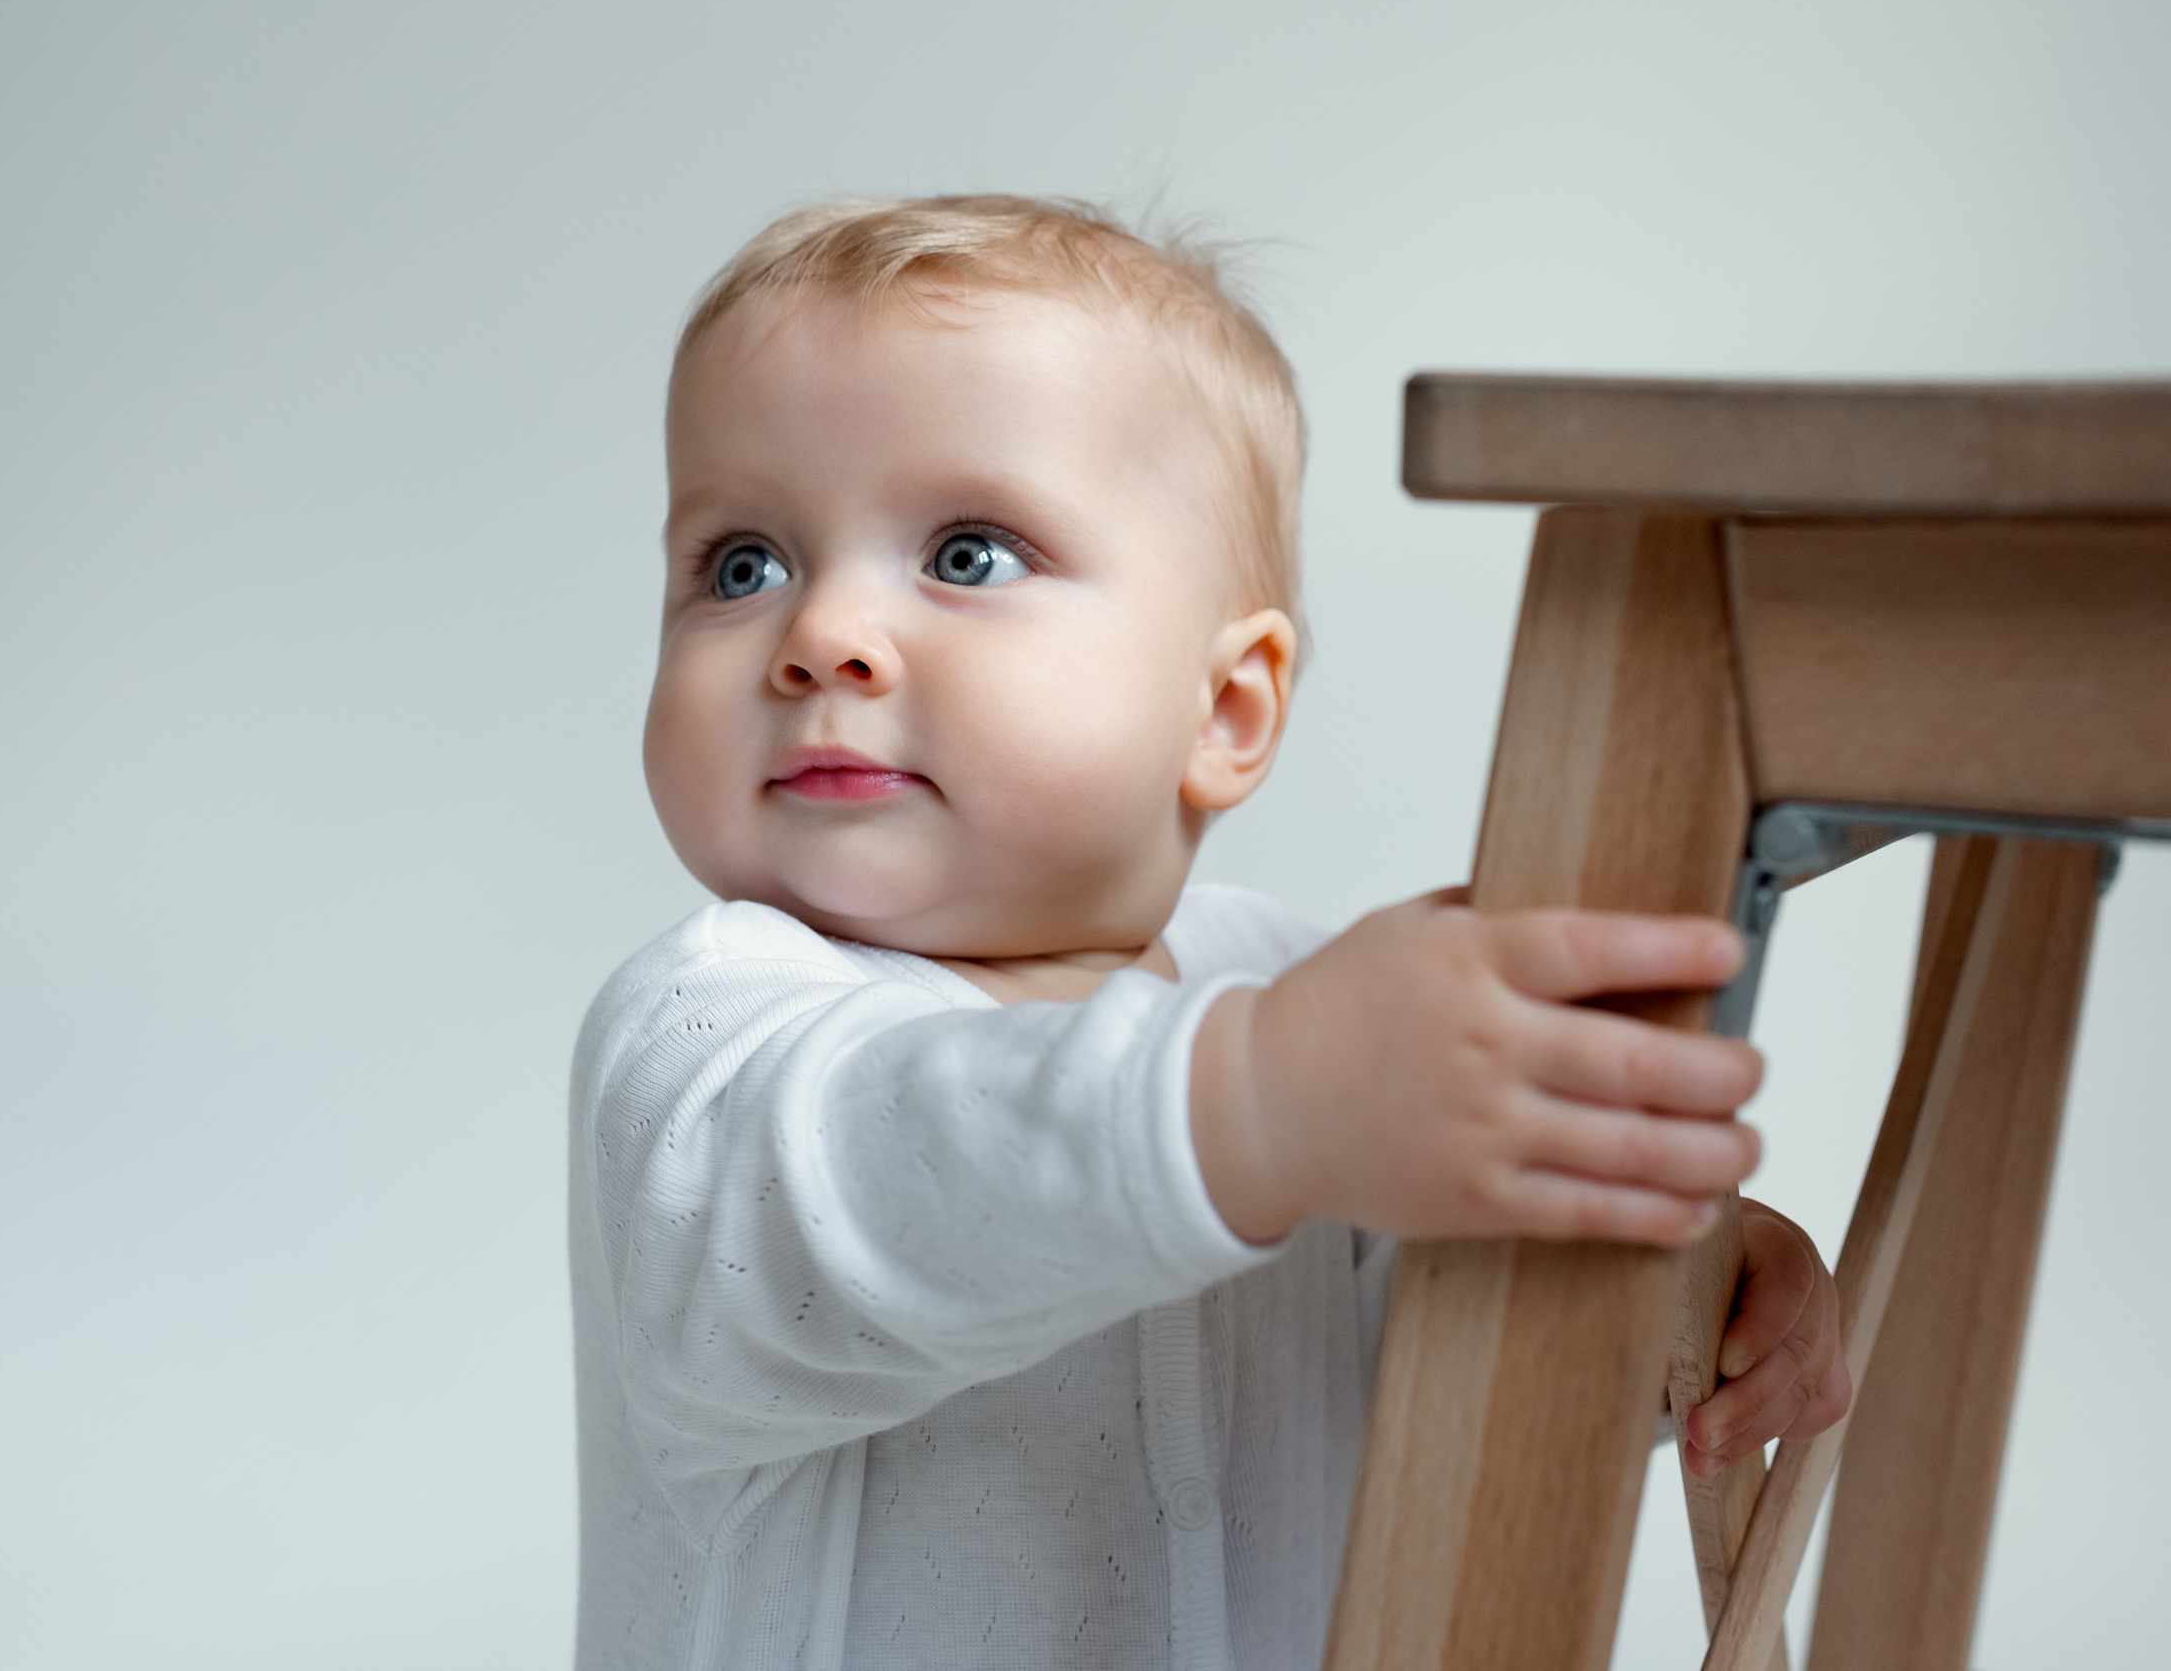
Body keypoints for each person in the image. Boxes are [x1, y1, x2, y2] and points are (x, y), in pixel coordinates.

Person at [570, 195, 1851, 1671]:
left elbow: (1439, 1350)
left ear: (1225, 709)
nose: (822, 633)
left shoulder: (1292, 994)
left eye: (970, 553)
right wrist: (1255, 1097)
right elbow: (878, 1195)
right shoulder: (705, 1039)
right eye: (741, 564)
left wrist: (1687, 1285)